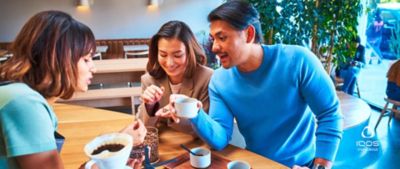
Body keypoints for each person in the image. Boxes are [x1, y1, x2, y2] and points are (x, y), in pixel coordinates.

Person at [160, 1, 343, 169]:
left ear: (248, 34)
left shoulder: (298, 61)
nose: (214, 47)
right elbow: (220, 138)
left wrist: (320, 166)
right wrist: (195, 112)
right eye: (213, 39)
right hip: (256, 163)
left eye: (222, 37)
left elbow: (329, 113)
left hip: (303, 164)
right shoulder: (219, 81)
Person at [0, 11, 146, 169]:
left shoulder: (17, 94)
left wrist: (114, 153)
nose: (94, 68)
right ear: (59, 58)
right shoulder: (25, 103)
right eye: (86, 59)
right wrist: (122, 141)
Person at [138, 20, 213, 135]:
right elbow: (143, 129)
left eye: (177, 55)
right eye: (163, 54)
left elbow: (207, 129)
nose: (169, 63)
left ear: (190, 52)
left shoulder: (206, 78)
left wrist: (179, 112)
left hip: (196, 147)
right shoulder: (149, 80)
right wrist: (150, 107)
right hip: (164, 146)